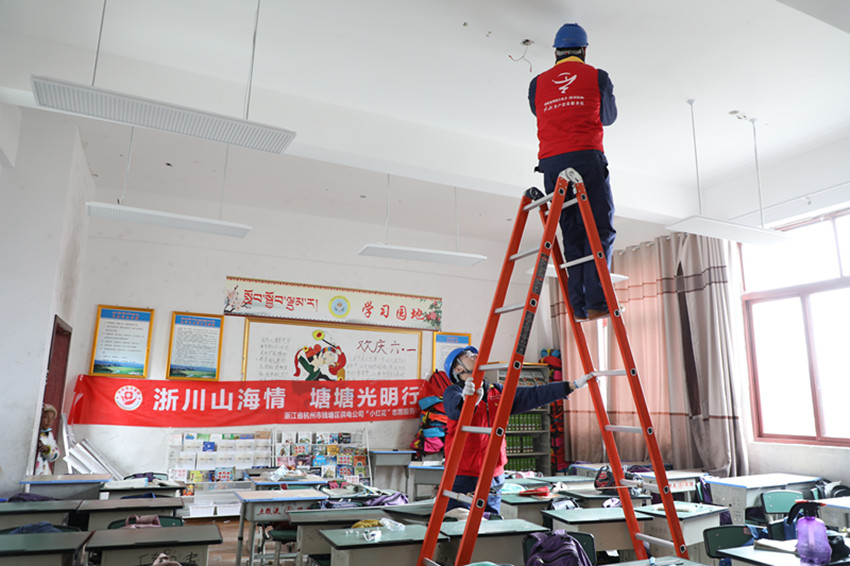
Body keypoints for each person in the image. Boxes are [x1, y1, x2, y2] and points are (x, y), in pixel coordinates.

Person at [528, 22, 618, 321]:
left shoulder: (537, 83)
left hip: (552, 165)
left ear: (556, 51)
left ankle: (578, 307)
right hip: (585, 158)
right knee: (599, 229)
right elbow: (608, 118)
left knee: (573, 232)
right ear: (584, 50)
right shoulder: (597, 77)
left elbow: (539, 112)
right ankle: (597, 302)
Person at [441, 346, 590, 514]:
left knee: (491, 521)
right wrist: (468, 400)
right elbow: (455, 411)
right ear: (458, 369)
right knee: (458, 520)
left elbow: (533, 394)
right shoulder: (453, 391)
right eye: (468, 355)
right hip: (463, 473)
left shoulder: (496, 391)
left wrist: (571, 386)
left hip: (493, 473)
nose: (475, 355)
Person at [35, 403, 60, 475]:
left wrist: (47, 449)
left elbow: (56, 453)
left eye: (52, 419)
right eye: (46, 417)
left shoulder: (48, 435)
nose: (49, 421)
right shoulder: (33, 433)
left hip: (44, 473)